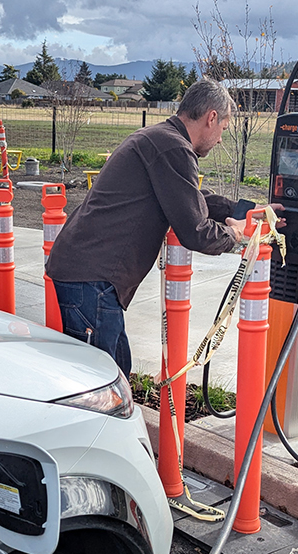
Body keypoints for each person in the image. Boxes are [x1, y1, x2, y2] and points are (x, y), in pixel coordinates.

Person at [45, 78, 246, 377]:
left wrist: (242, 210)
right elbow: (196, 231)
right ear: (211, 117)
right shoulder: (173, 148)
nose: (219, 140)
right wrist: (235, 235)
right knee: (100, 390)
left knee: (117, 377)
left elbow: (187, 196)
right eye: (223, 130)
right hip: (92, 282)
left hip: (89, 278)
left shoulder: (160, 138)